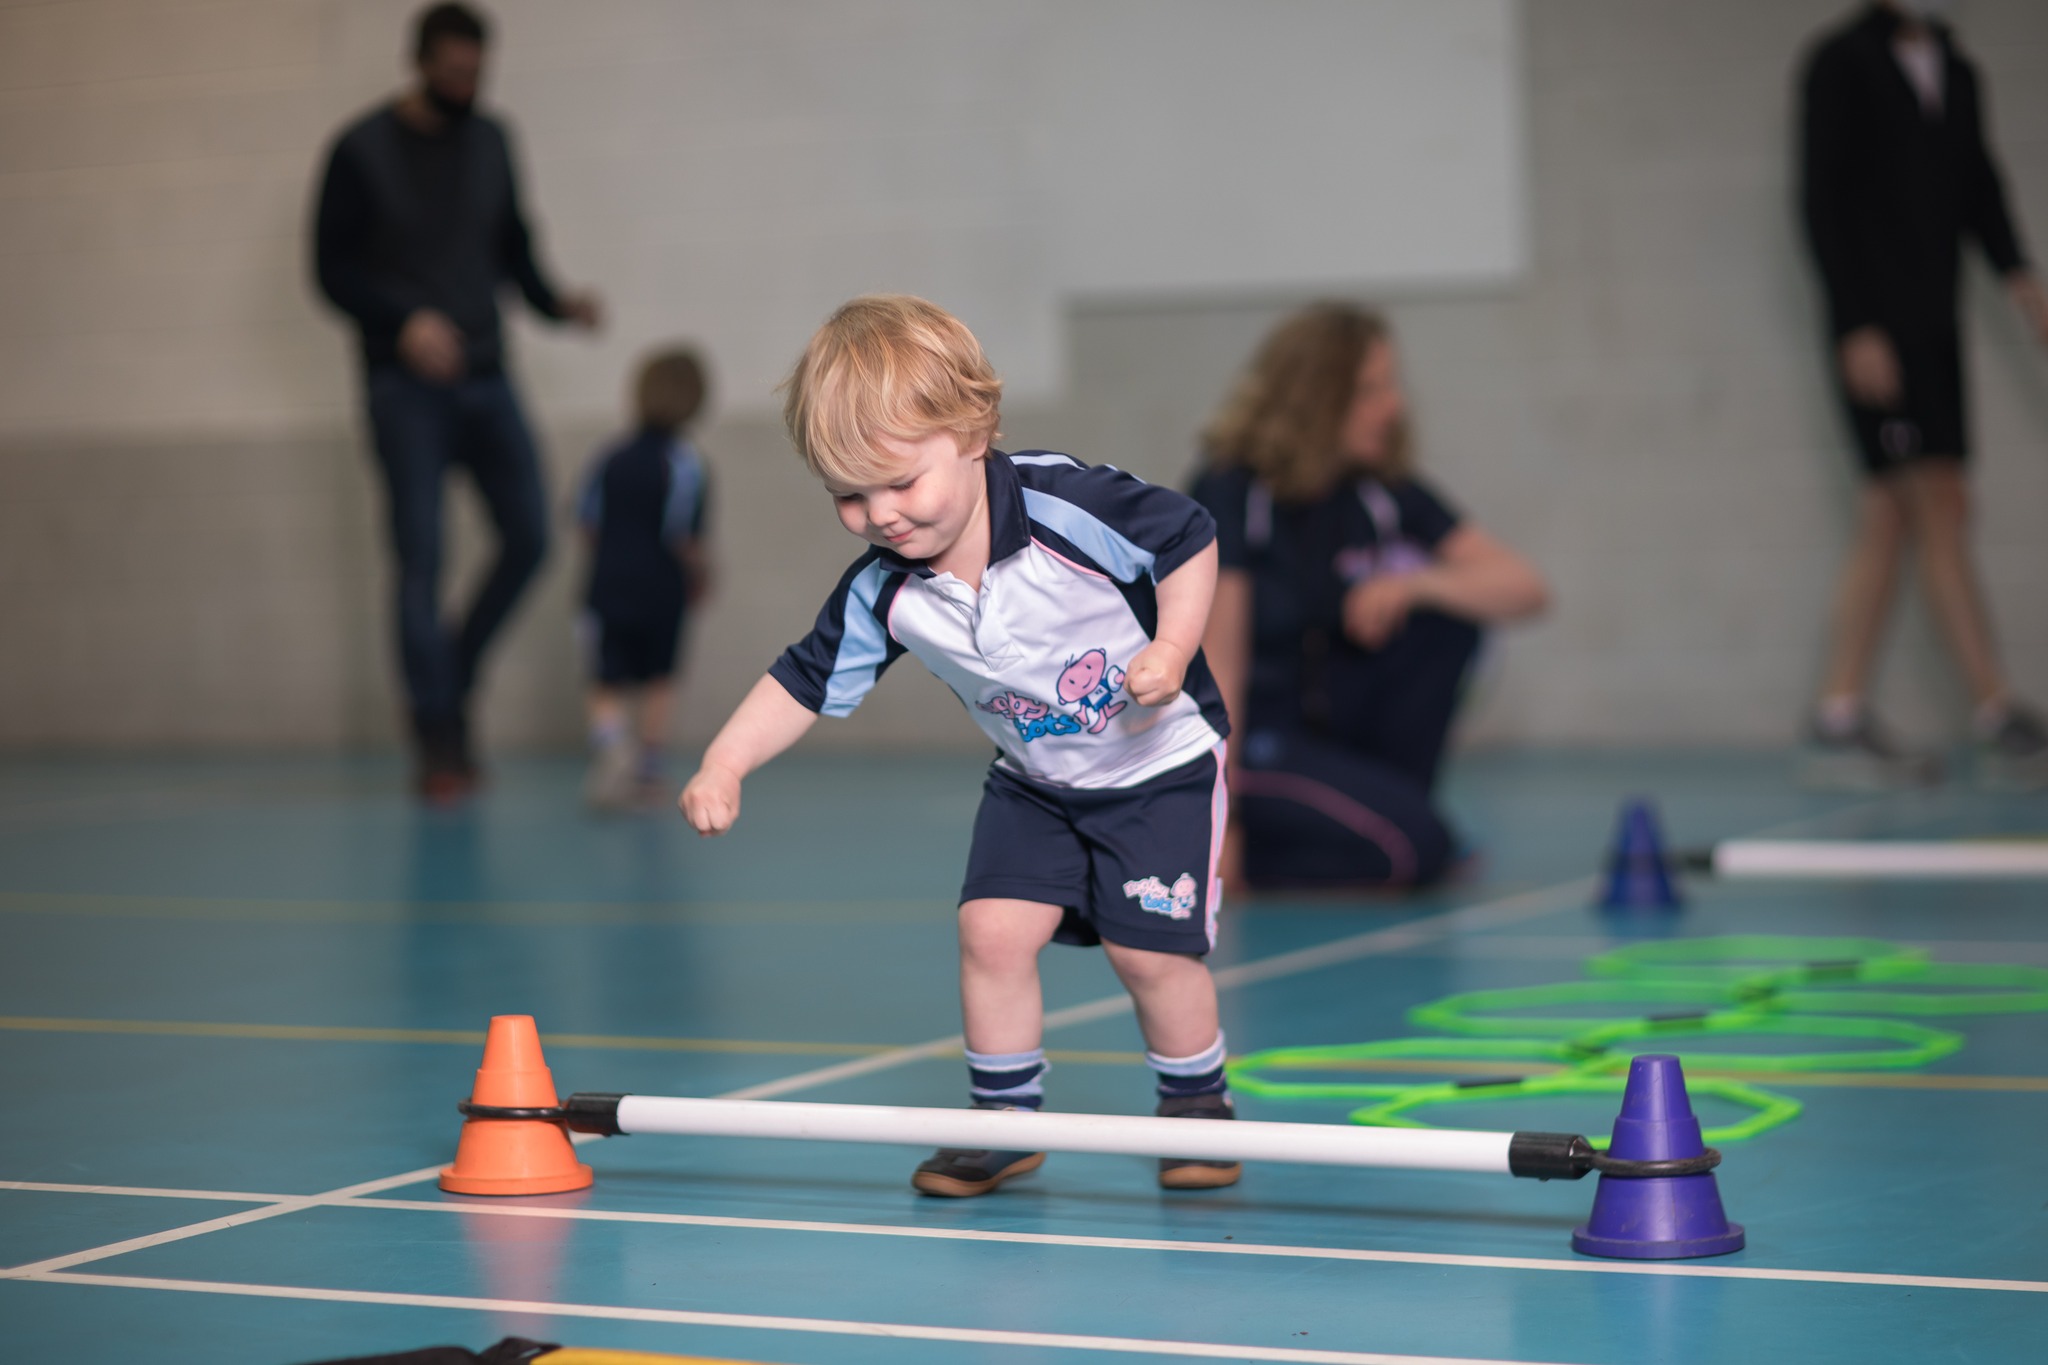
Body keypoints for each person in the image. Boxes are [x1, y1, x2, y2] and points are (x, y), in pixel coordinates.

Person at [679, 296, 1241, 1197]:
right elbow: (803, 678)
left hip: (1158, 765)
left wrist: (1172, 646)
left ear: (973, 432)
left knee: (1150, 955)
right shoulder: (884, 590)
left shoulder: (1068, 507)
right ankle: (1002, 1122)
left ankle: (1196, 1103)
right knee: (990, 931)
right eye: (849, 496)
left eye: (901, 484)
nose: (881, 516)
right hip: (1036, 779)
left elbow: (1187, 537)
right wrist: (725, 761)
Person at [314, 2, 601, 802]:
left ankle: (452, 674)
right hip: (404, 387)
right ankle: (438, 735)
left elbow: (513, 248)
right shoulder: (360, 150)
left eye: (477, 72)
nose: (466, 85)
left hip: (486, 375)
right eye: (452, 72)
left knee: (530, 536)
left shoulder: (492, 140)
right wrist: (402, 322)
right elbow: (330, 270)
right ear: (420, 64)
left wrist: (557, 304)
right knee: (422, 558)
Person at [1191, 304, 1547, 891]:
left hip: (1328, 744)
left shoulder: (1378, 494)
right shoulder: (1233, 492)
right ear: (1316, 399)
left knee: (1447, 620)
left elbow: (1525, 587)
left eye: (1390, 386)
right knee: (1414, 851)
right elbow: (1217, 670)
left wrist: (1415, 584)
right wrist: (1219, 822)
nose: (1393, 406)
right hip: (1254, 747)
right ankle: (1197, 852)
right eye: (1370, 391)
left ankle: (1391, 807)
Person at [1799, 0, 2048, 789]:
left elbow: (1978, 183)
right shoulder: (1841, 62)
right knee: (1933, 499)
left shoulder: (1957, 67)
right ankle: (1994, 707)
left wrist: (2019, 276)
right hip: (1879, 327)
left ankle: (1838, 715)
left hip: (1938, 323)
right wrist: (1856, 322)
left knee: (1897, 511)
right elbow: (1822, 199)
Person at [577, 349, 715, 810]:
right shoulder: (686, 463)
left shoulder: (609, 457)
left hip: (607, 585)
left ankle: (611, 749)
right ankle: (646, 771)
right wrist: (703, 574)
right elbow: (682, 535)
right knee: (660, 677)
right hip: (661, 589)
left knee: (606, 676)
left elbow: (586, 521)